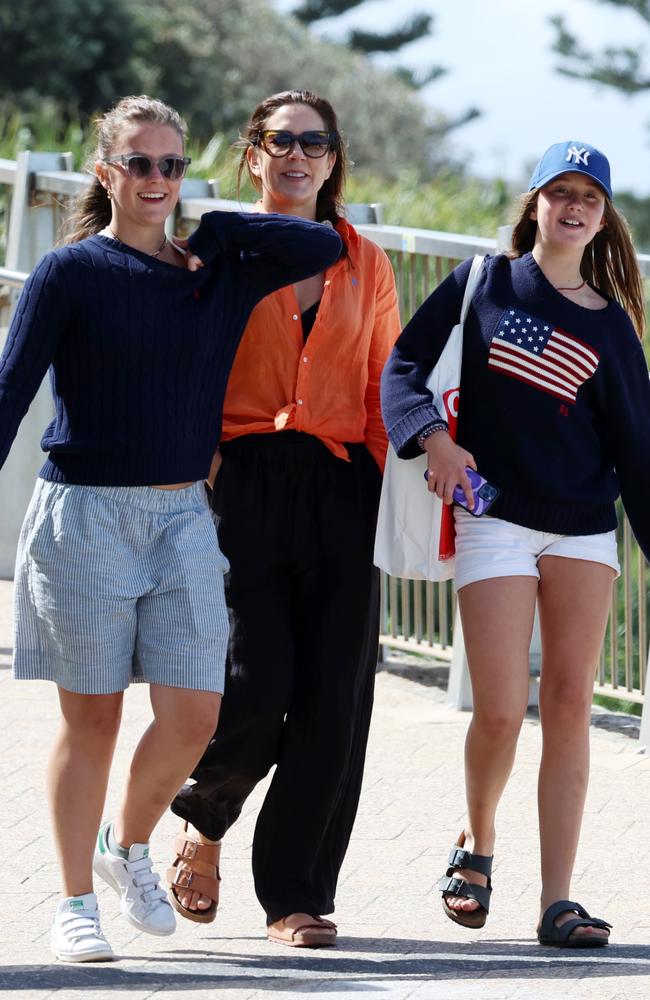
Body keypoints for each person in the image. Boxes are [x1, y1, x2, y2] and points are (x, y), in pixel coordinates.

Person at [0, 94, 341, 964]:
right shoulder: (71, 272)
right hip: (85, 516)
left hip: (185, 515)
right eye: (140, 163)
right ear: (106, 171)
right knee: (95, 723)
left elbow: (324, 242)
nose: (158, 180)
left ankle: (126, 845)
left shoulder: (215, 272)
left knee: (196, 715)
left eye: (173, 164)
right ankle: (75, 899)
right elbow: (9, 393)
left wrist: (222, 233)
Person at [380, 140, 650, 948]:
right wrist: (433, 438)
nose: (573, 208)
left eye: (590, 198)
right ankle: (477, 840)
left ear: (604, 218)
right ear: (533, 202)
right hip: (491, 514)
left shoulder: (614, 329)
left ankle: (558, 900)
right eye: (559, 192)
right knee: (499, 708)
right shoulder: (479, 285)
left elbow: (638, 453)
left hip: (582, 528)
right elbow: (402, 368)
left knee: (571, 703)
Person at [166, 89, 401, 948]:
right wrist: (207, 466)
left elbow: (382, 383)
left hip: (342, 482)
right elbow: (184, 365)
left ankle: (294, 896)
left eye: (315, 142)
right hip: (244, 480)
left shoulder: (363, 262)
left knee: (334, 700)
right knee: (255, 680)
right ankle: (206, 813)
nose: (297, 154)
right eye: (279, 140)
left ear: (334, 160)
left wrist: (379, 488)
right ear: (252, 154)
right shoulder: (221, 251)